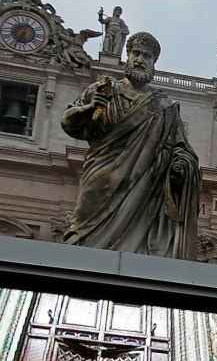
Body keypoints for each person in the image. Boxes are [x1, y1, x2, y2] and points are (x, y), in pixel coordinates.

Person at [60, 31, 201, 259]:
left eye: (147, 56)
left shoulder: (165, 106)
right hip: (101, 178)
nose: (140, 59)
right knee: (82, 238)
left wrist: (181, 165)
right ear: (127, 55)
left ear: (154, 62)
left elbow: (180, 147)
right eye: (136, 53)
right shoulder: (104, 90)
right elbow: (69, 123)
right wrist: (89, 108)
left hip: (144, 186)